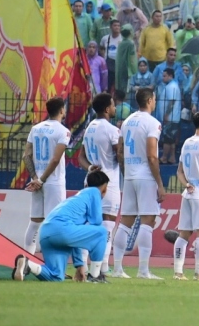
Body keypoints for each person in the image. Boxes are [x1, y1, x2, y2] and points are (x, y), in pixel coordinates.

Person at [13, 169, 114, 283]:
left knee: (56, 276)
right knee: (101, 232)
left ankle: (28, 265)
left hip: (46, 233)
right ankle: (95, 276)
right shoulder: (94, 192)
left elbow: (75, 239)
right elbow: (97, 222)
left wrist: (79, 266)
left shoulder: (76, 199)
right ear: (104, 188)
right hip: (62, 230)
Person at [112, 87, 164, 279]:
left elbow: (120, 152)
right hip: (145, 176)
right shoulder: (153, 123)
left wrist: (127, 173)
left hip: (131, 176)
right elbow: (152, 155)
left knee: (125, 221)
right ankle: (143, 270)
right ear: (150, 100)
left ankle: (117, 268)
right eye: (155, 99)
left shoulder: (126, 122)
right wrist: (159, 183)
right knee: (147, 221)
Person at [22, 97, 71, 255]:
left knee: (35, 222)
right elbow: (56, 159)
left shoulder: (36, 128)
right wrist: (42, 180)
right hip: (53, 182)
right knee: (54, 223)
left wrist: (35, 178)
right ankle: (52, 261)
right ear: (62, 110)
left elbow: (26, 155)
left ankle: (27, 259)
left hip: (36, 181)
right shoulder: (63, 131)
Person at [172, 110, 199, 280]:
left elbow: (179, 171)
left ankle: (178, 271)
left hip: (188, 193)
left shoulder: (187, 143)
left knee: (184, 234)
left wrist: (187, 184)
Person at [81, 93, 122, 254]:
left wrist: (90, 167)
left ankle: (83, 264)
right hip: (107, 182)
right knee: (108, 224)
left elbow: (81, 157)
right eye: (113, 105)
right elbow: (119, 155)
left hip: (89, 181)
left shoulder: (89, 128)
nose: (115, 108)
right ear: (107, 109)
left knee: (89, 224)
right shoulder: (112, 130)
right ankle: (101, 268)